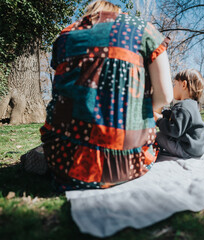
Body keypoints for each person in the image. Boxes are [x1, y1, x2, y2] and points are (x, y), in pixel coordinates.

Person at [34, 0, 173, 190]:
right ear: (117, 13)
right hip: (126, 164)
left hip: (65, 161)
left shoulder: (65, 35)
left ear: (89, 13)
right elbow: (166, 96)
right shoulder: (143, 30)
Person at [154, 69, 204, 158]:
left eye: (175, 84)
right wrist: (164, 114)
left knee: (159, 136)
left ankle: (154, 150)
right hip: (198, 148)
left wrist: (159, 120)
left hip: (187, 150)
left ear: (184, 85)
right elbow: (177, 117)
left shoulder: (182, 106)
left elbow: (174, 130)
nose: (173, 88)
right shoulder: (192, 104)